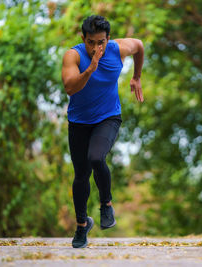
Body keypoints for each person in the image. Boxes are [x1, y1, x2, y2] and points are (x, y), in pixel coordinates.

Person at [61, 15, 144, 248]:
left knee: (96, 157)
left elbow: (139, 46)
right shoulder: (73, 55)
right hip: (79, 122)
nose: (96, 47)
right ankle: (81, 226)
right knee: (80, 175)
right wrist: (90, 69)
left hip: (108, 117)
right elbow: (69, 87)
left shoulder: (118, 49)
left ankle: (106, 204)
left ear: (108, 38)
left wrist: (136, 77)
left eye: (101, 42)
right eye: (91, 42)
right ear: (83, 38)